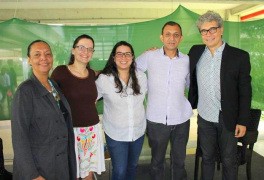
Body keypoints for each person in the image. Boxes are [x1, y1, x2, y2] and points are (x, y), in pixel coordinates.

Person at [188, 11, 252, 180]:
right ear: (200, 34)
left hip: (228, 118)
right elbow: (178, 61)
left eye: (212, 29)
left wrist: (242, 121)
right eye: (204, 31)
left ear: (221, 29)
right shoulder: (195, 52)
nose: (208, 34)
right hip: (205, 117)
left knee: (229, 160)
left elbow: (245, 92)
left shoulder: (239, 56)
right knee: (207, 158)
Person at [11, 40, 76, 180]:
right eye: (37, 54)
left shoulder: (54, 85)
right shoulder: (25, 91)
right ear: (29, 60)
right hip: (40, 166)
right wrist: (33, 175)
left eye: (48, 54)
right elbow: (19, 137)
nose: (43, 58)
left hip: (60, 163)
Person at [136, 21, 193, 180]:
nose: (171, 38)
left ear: (181, 38)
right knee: (157, 161)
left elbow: (190, 84)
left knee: (179, 161)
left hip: (181, 119)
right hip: (156, 119)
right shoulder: (149, 56)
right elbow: (131, 68)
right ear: (162, 37)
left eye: (176, 35)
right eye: (168, 34)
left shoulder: (187, 60)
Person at [51, 34, 105, 180]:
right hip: (70, 132)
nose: (85, 52)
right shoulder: (60, 72)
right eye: (81, 47)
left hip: (92, 131)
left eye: (90, 49)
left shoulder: (93, 75)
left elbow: (115, 69)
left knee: (88, 173)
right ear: (73, 50)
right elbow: (50, 99)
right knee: (72, 172)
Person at [96, 41, 147, 180]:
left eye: (127, 54)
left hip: (138, 132)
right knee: (119, 170)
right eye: (119, 54)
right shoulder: (104, 79)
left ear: (132, 57)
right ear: (113, 57)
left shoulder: (141, 77)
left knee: (133, 166)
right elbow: (89, 99)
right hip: (115, 134)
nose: (123, 57)